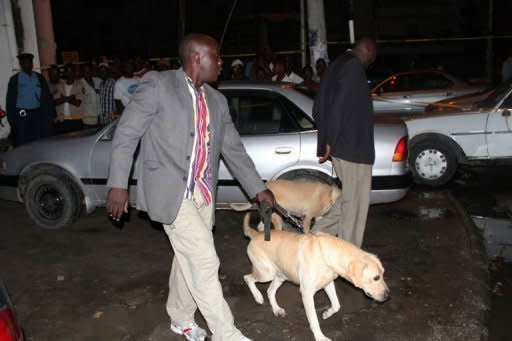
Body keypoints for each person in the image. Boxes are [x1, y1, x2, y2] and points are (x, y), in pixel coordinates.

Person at [105, 33, 274, 341]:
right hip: (169, 189)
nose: (221, 63)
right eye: (217, 57)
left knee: (188, 257)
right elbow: (126, 134)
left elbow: (233, 150)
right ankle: (226, 333)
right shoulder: (159, 84)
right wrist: (118, 184)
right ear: (197, 58)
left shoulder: (217, 100)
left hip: (202, 193)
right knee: (205, 259)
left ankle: (180, 317)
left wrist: (257, 188)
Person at [312, 37, 377, 248]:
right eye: (372, 58)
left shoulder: (337, 65)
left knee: (348, 198)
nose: (371, 64)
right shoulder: (353, 67)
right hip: (353, 148)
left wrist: (327, 140)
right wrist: (329, 139)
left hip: (343, 145)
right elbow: (338, 106)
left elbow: (319, 105)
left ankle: (315, 235)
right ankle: (350, 252)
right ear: (367, 52)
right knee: (355, 204)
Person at [5, 53, 56, 146]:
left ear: (32, 63)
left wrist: (51, 113)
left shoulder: (39, 78)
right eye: (24, 62)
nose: (27, 64)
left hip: (38, 115)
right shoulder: (15, 79)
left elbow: (47, 97)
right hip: (22, 116)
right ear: (21, 64)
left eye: (29, 62)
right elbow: (10, 100)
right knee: (23, 141)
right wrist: (12, 119)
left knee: (38, 141)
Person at [54, 64, 84, 134]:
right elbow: (56, 102)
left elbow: (77, 103)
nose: (69, 74)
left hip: (76, 120)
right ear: (65, 73)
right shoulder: (59, 86)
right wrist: (71, 97)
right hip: (62, 120)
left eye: (71, 72)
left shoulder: (79, 85)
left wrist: (63, 98)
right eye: (67, 72)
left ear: (74, 72)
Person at [80, 63, 101, 127]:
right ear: (82, 72)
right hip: (87, 118)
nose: (87, 72)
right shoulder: (80, 83)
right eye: (85, 71)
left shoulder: (98, 80)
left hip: (99, 116)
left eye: (89, 70)